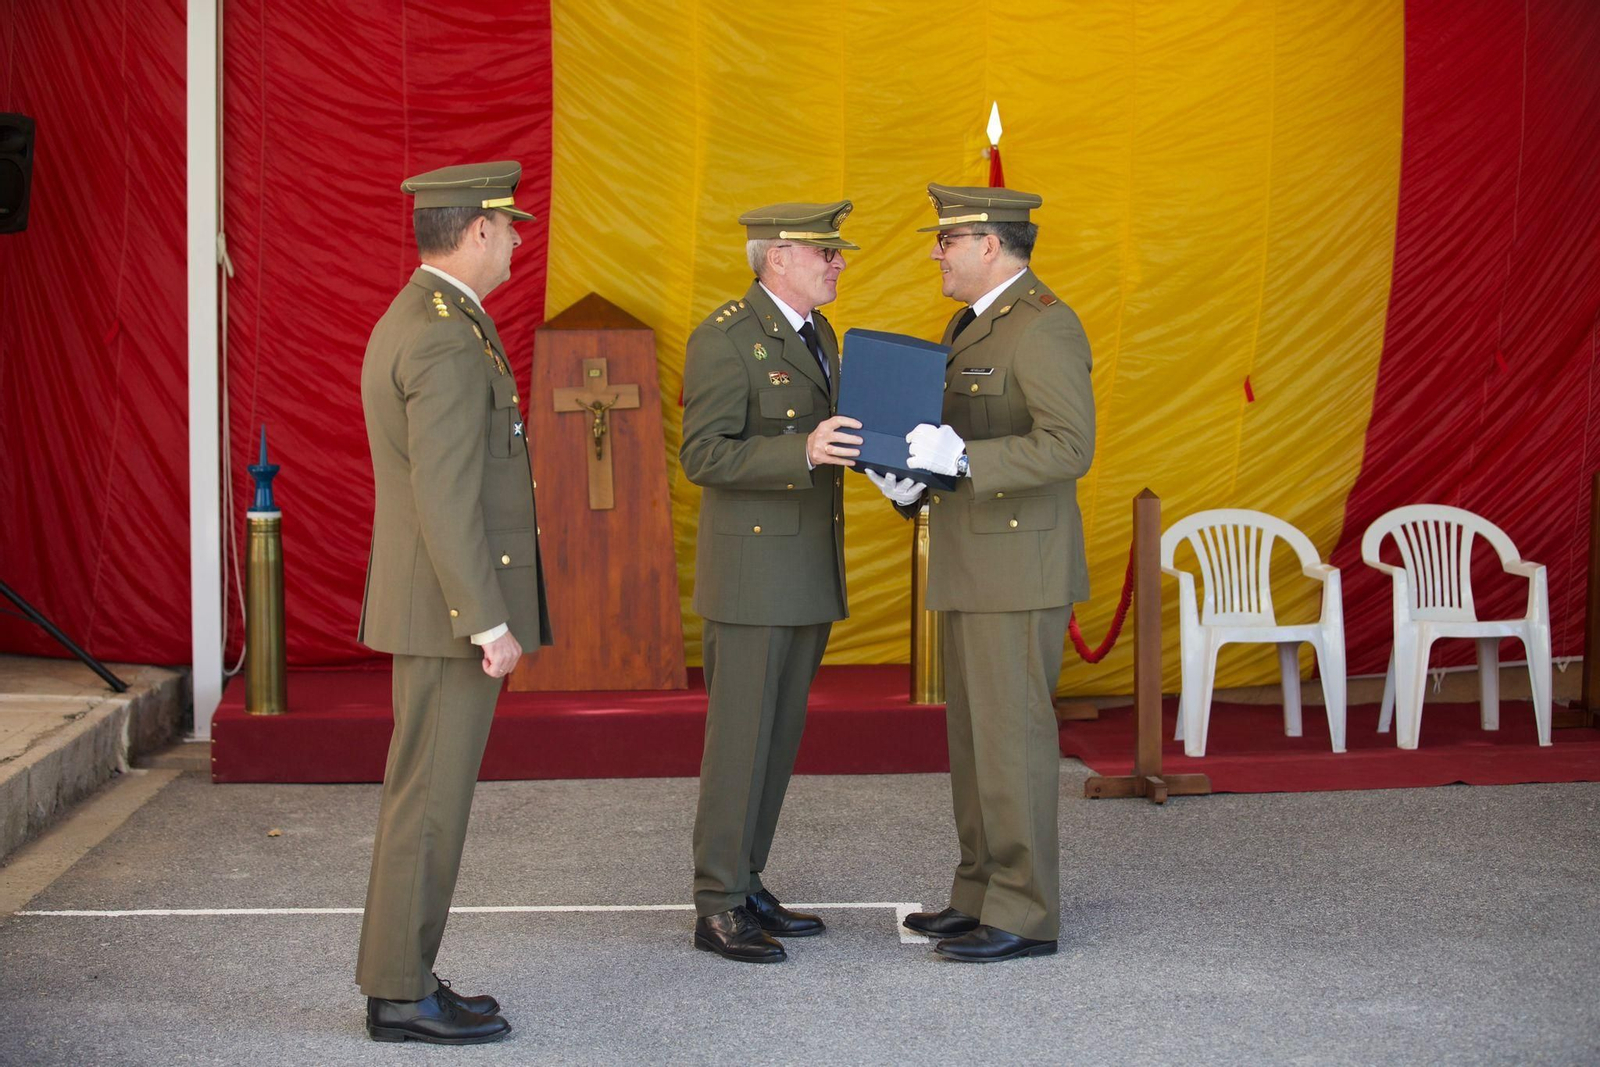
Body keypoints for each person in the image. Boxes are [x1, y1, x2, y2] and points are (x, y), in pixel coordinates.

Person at [865, 183, 1094, 963]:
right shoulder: (971, 325)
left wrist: (963, 457)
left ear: (989, 245)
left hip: (1017, 568)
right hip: (973, 559)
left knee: (1014, 740)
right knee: (975, 741)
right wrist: (913, 479)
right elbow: (951, 440)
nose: (936, 252)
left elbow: (1069, 446)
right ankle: (979, 891)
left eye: (946, 240)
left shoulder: (1043, 326)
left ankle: (1025, 911)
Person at [354, 160, 552, 1041]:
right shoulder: (439, 333)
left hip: (437, 608)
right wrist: (489, 619)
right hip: (448, 614)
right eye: (509, 227)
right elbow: (445, 494)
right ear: (476, 231)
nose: (515, 240)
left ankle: (409, 972)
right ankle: (399, 991)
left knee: (429, 797)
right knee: (429, 800)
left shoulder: (441, 318)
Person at [680, 201, 864, 963]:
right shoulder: (725, 337)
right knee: (740, 742)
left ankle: (748, 878)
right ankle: (717, 900)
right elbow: (704, 456)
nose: (838, 264)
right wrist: (804, 451)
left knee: (777, 736)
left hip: (802, 568)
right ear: (778, 257)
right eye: (826, 253)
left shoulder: (818, 334)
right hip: (753, 575)